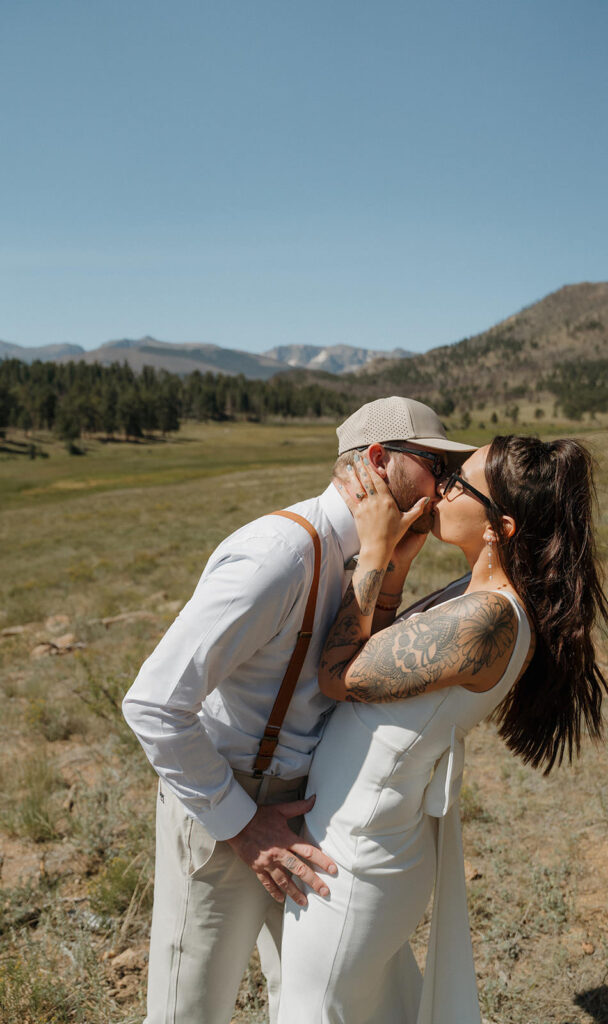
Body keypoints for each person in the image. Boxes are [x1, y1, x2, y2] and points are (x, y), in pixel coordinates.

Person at [121, 396, 475, 1024]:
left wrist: (390, 570)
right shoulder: (276, 557)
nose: (447, 484)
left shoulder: (371, 553)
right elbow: (153, 703)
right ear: (376, 460)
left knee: (322, 1003)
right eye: (433, 464)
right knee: (189, 1011)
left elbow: (350, 676)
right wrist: (242, 824)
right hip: (221, 811)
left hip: (312, 814)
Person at [277, 435, 608, 1024]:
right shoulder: (475, 597)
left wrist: (375, 553)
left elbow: (338, 673)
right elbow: (377, 657)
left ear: (500, 527)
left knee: (314, 1011)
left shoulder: (487, 618)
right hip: (359, 843)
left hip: (355, 863)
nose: (441, 487)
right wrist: (399, 569)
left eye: (461, 482)